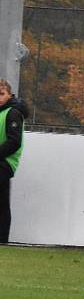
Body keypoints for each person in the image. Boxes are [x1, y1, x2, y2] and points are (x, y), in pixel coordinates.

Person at [0, 79, 27, 244]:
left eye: (1, 94)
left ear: (10, 95)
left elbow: (14, 142)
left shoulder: (13, 112)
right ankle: (2, 241)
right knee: (2, 203)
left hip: (4, 162)